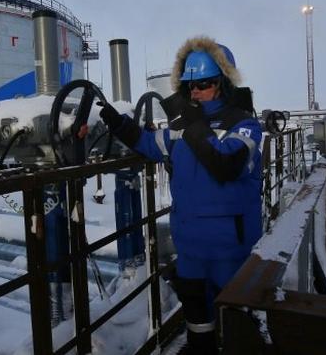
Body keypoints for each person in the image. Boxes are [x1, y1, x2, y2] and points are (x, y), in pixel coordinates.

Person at [99, 36, 263, 354]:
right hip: (190, 245)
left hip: (229, 248)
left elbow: (226, 163)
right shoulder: (182, 129)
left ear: (224, 83)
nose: (195, 92)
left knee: (235, 322)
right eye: (190, 86)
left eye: (203, 84)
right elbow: (150, 144)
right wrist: (118, 123)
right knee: (197, 317)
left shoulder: (244, 126)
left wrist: (191, 123)